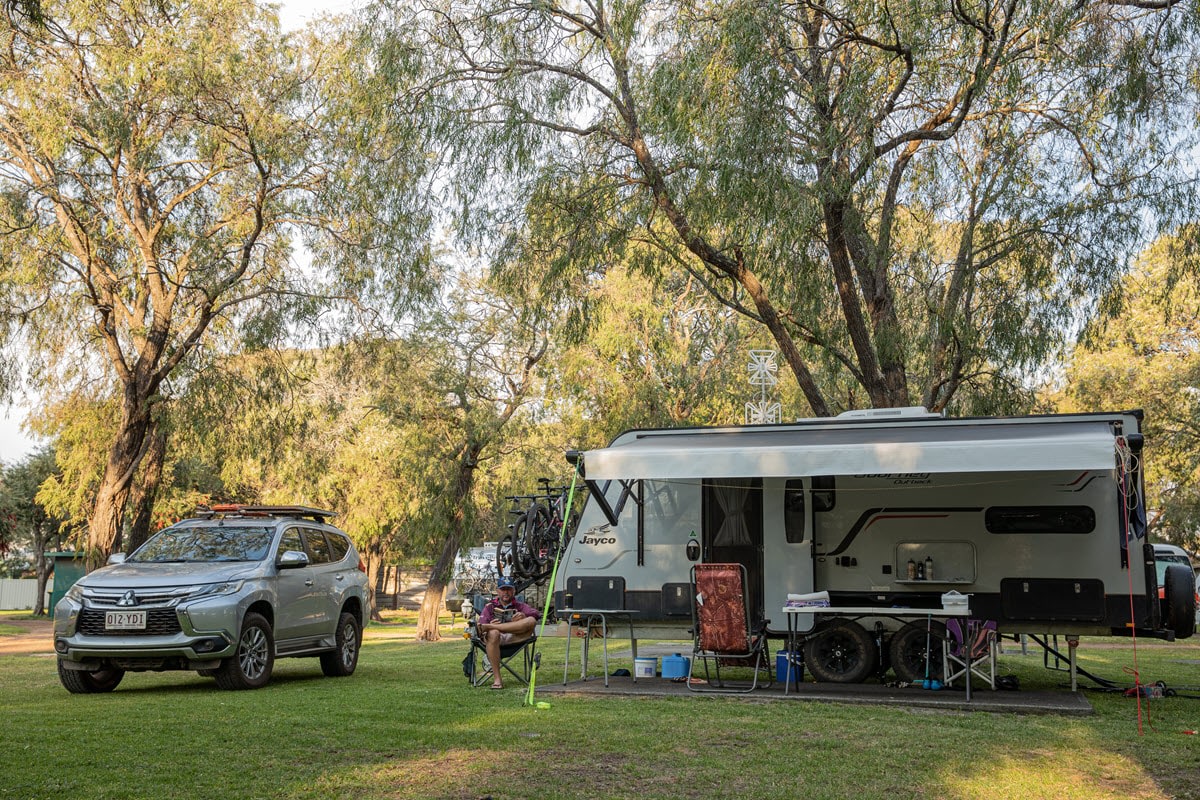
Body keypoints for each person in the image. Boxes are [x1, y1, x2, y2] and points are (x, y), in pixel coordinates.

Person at [476, 578, 539, 689]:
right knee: (493, 633)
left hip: (514, 639)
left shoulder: (520, 606)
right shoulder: (490, 607)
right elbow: (480, 627)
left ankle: (493, 627)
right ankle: (497, 679)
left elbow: (536, 614)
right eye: (503, 589)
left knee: (531, 620)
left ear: (514, 591)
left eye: (509, 589)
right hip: (496, 640)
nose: (506, 592)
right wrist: (489, 624)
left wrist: (523, 616)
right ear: (497, 591)